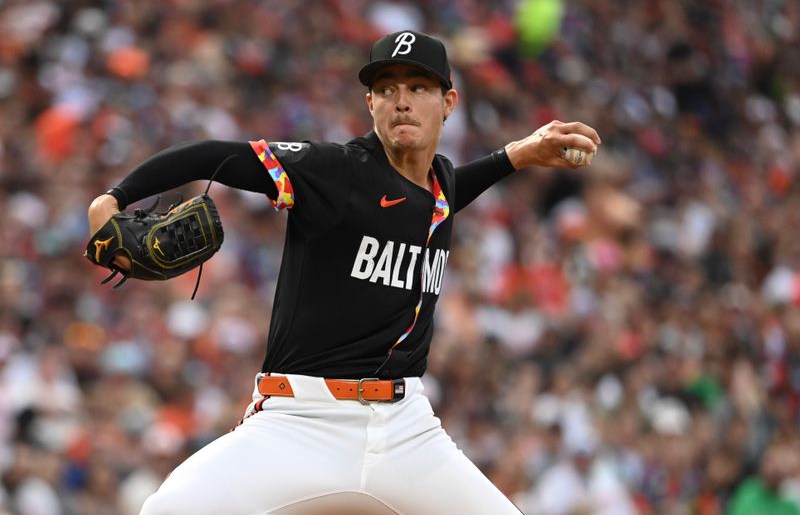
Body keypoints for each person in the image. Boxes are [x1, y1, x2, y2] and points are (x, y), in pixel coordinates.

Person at [87, 30, 600, 514]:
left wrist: (517, 155)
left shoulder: (439, 183)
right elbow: (211, 155)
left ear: (448, 103)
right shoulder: (334, 171)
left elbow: (442, 193)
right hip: (300, 420)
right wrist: (114, 198)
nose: (402, 100)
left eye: (419, 87)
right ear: (369, 103)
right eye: (386, 88)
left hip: (407, 430)